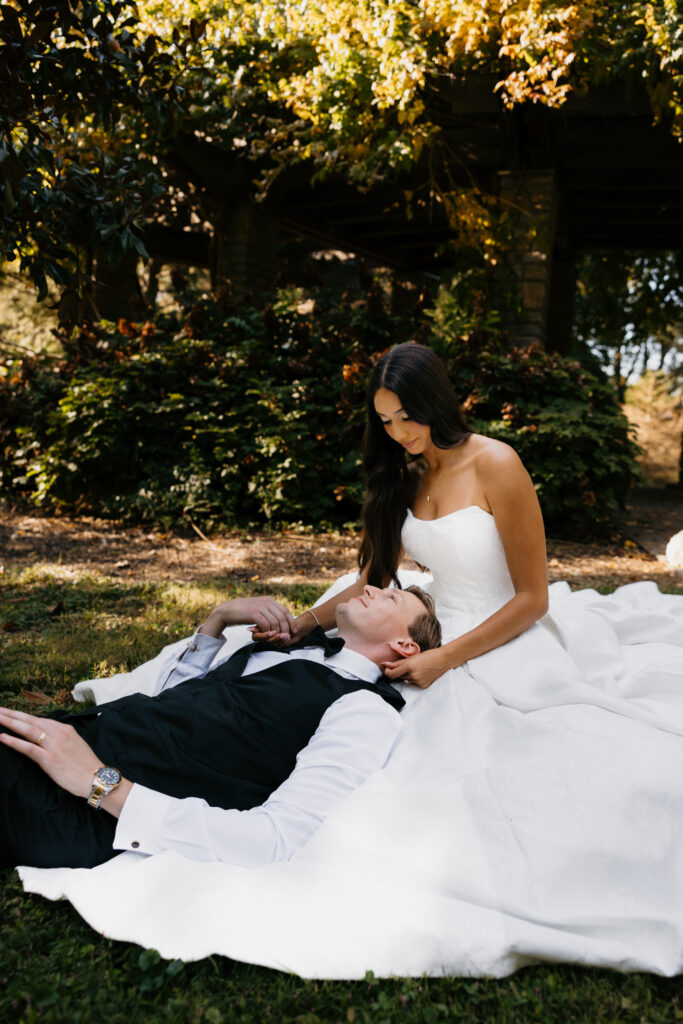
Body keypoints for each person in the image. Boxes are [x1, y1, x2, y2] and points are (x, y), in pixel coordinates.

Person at [15, 343, 683, 980]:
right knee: (269, 671)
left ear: (438, 404)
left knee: (461, 770)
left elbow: (532, 597)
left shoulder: (495, 463)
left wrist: (445, 657)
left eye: (407, 418)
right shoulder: (404, 469)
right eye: (385, 421)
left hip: (492, 632)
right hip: (422, 616)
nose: (398, 433)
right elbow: (375, 572)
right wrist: (306, 624)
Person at [0, 584, 441, 870]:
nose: (371, 588)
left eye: (392, 598)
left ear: (404, 646)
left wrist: (99, 782)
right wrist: (217, 621)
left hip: (79, 810)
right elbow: (175, 705)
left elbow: (274, 838)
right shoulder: (286, 651)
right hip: (62, 736)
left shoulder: (364, 711)